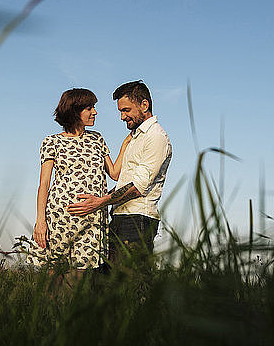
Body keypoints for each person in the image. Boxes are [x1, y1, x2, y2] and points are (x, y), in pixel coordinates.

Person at [67, 80, 172, 262]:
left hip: (137, 220)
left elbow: (137, 188)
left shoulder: (156, 137)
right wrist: (98, 198)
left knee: (133, 284)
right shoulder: (135, 137)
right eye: (120, 111)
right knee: (111, 284)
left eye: (126, 110)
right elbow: (124, 182)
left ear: (144, 105)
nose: (122, 117)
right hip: (120, 216)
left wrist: (99, 202)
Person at [27, 88, 131, 269]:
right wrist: (41, 221)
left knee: (79, 283)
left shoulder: (97, 139)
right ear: (74, 111)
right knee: (54, 277)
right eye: (89, 108)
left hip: (91, 219)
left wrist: (126, 143)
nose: (95, 112)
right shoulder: (52, 142)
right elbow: (44, 184)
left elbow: (114, 173)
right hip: (59, 217)